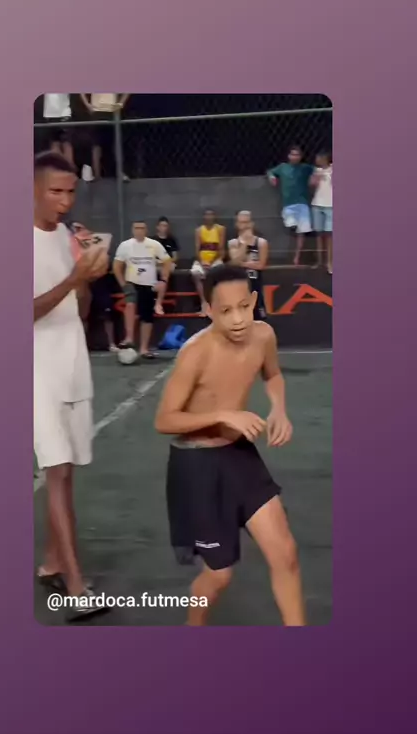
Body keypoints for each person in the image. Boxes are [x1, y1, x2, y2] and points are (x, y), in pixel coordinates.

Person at [155, 264, 305, 627]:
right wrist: (223, 414)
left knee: (285, 553)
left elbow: (273, 374)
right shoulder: (196, 353)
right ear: (208, 310)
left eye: (243, 307)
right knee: (219, 575)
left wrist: (279, 410)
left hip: (239, 456)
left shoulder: (264, 335)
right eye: (225, 310)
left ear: (253, 301)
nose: (237, 319)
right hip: (196, 466)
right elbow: (165, 420)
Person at [33, 151, 111, 620]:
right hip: (35, 370)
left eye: (70, 192)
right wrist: (72, 279)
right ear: (32, 190)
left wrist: (86, 275)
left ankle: (52, 563)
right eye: (54, 191)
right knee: (58, 473)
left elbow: (79, 311)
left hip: (72, 363)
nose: (64, 201)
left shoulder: (66, 236)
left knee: (66, 473)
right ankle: (77, 588)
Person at [113, 222, 173, 357]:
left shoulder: (154, 244)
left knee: (147, 316)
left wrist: (163, 279)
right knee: (130, 304)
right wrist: (123, 284)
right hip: (131, 282)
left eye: (142, 228)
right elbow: (116, 266)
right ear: (132, 230)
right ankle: (129, 337)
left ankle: (144, 348)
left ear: (146, 230)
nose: (139, 231)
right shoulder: (125, 245)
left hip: (149, 284)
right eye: (136, 228)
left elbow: (167, 261)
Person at [267, 145, 314, 266]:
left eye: (297, 155)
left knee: (302, 232)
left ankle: (297, 257)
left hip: (302, 203)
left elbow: (317, 170)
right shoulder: (283, 167)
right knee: (290, 222)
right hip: (288, 204)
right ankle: (292, 226)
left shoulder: (305, 168)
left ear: (301, 157)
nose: (295, 157)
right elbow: (270, 171)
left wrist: (315, 178)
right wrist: (271, 177)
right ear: (288, 156)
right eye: (293, 154)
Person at [228, 210, 268, 320]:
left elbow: (261, 265)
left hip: (255, 286)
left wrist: (243, 264)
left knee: (258, 320)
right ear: (237, 224)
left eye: (246, 222)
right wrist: (244, 243)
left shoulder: (261, 243)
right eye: (241, 222)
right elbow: (235, 262)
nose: (244, 226)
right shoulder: (233, 243)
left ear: (252, 223)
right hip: (238, 286)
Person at [79, 94, 130, 180]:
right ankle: (97, 174)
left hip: (112, 110)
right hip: (97, 111)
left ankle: (118, 172)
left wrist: (121, 103)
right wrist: (87, 105)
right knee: (96, 144)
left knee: (115, 143)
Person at [190, 209, 226, 314]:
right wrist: (202, 263)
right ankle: (204, 303)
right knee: (195, 273)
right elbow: (197, 249)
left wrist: (211, 263)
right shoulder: (199, 230)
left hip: (216, 259)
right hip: (202, 260)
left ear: (214, 217)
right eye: (207, 215)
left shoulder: (220, 229)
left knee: (218, 273)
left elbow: (221, 249)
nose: (209, 217)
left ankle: (216, 304)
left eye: (211, 215)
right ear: (204, 217)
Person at [310, 151, 333, 274]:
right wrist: (316, 176)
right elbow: (311, 184)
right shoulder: (316, 170)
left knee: (330, 236)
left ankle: (330, 263)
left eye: (318, 158)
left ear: (325, 158)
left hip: (331, 205)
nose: (317, 160)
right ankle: (319, 261)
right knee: (319, 234)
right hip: (317, 204)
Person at [153, 216, 179, 307]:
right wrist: (157, 262)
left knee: (167, 269)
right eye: (162, 225)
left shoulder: (172, 240)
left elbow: (175, 257)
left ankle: (159, 301)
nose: (164, 228)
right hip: (156, 263)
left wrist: (166, 262)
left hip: (168, 263)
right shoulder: (152, 240)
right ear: (157, 227)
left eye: (165, 226)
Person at [43, 94, 74, 165]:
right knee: (55, 143)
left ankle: (69, 169)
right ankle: (57, 168)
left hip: (63, 114)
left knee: (66, 143)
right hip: (50, 114)